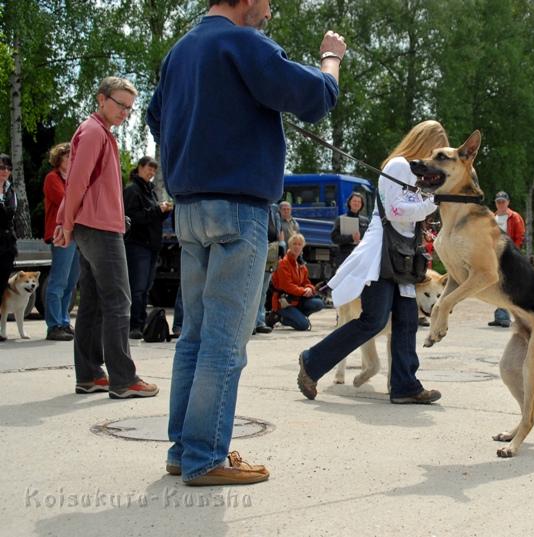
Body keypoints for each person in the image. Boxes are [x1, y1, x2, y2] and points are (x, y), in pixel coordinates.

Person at [147, 0, 345, 486]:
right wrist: (331, 59)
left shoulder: (179, 52)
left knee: (194, 335)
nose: (271, 10)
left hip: (189, 210)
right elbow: (315, 97)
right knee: (225, 340)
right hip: (238, 209)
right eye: (268, 1)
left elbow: (156, 119)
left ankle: (184, 450)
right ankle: (206, 457)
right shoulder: (243, 42)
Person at [297, 120, 446, 405]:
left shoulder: (417, 175)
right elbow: (395, 211)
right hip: (382, 255)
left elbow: (409, 216)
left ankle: (405, 386)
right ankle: (312, 361)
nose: (435, 160)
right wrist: (432, 203)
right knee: (373, 320)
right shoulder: (398, 166)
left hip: (403, 257)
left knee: (407, 321)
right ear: (424, 143)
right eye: (435, 151)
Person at [52, 76, 159, 399]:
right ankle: (123, 379)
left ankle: (90, 375)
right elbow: (77, 181)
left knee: (94, 302)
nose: (125, 112)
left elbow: (78, 183)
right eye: (120, 104)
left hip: (95, 225)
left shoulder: (98, 132)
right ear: (101, 99)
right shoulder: (94, 132)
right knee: (118, 301)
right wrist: (65, 223)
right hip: (100, 228)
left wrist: (66, 221)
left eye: (129, 108)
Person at [123, 156, 173, 339]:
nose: (151, 173)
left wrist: (163, 212)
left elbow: (151, 217)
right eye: (149, 169)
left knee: (145, 287)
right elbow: (133, 218)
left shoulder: (150, 191)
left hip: (151, 245)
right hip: (137, 244)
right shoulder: (132, 190)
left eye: (154, 170)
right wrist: (157, 210)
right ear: (139, 168)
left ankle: (142, 322)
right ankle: (133, 325)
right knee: (137, 287)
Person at [43, 143, 80, 341]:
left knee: (71, 281)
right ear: (59, 159)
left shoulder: (74, 179)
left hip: (76, 234)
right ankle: (54, 324)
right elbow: (65, 201)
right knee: (58, 280)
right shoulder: (52, 178)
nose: (71, 159)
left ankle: (64, 321)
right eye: (67, 156)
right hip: (60, 234)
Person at [488, 190, 525, 328]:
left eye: (503, 201)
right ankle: (500, 316)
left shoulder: (514, 217)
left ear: (508, 202)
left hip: (508, 255)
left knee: (507, 285)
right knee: (497, 285)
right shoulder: (492, 217)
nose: (501, 204)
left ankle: (508, 316)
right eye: (498, 202)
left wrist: (513, 253)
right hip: (494, 255)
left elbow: (519, 237)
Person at [270, 233, 324, 330]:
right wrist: (303, 291)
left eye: (299, 244)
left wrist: (309, 289)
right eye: (294, 244)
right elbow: (287, 286)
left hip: (297, 300)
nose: (297, 246)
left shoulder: (301, 264)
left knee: (319, 303)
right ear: (290, 246)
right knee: (304, 325)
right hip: (283, 303)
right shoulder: (283, 263)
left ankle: (298, 316)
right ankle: (279, 317)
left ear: (302, 247)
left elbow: (306, 282)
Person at [253, 203, 281, 334]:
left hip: (271, 251)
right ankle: (251, 324)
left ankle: (259, 321)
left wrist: (280, 248)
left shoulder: (274, 210)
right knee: (254, 290)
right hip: (257, 248)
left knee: (263, 291)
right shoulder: (257, 205)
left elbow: (278, 231)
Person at [0, 153, 17, 342]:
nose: (5, 171)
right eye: (1, 168)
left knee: (2, 284)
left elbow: (12, 215)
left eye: (8, 168)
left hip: (7, 244)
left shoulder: (11, 190)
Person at [331, 191, 369, 268]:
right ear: (349, 203)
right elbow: (334, 238)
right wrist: (351, 238)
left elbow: (369, 239)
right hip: (345, 255)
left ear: (361, 205)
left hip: (360, 255)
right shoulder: (340, 219)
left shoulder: (366, 221)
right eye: (354, 201)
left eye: (359, 202)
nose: (356, 203)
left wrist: (363, 242)